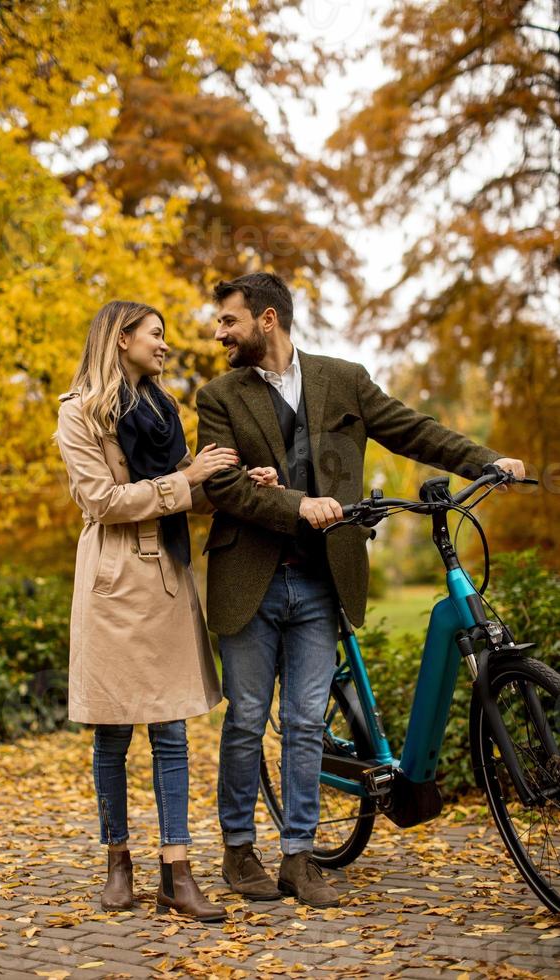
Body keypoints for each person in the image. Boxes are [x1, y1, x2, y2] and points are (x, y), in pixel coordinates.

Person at [195, 271, 526, 909]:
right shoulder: (219, 396)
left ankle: (297, 859)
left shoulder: (343, 378)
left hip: (324, 581)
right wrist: (298, 504)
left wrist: (485, 459)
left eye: (228, 321)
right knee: (243, 724)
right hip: (249, 582)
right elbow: (222, 488)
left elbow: (413, 429)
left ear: (267, 319)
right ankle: (239, 854)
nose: (219, 333)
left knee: (301, 724)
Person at [54, 299, 245, 922]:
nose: (164, 346)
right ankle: (118, 860)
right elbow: (103, 500)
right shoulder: (78, 414)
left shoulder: (164, 412)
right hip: (112, 582)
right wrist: (188, 478)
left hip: (164, 576)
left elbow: (176, 497)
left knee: (170, 728)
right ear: (121, 338)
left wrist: (230, 488)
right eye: (155, 335)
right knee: (112, 732)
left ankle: (177, 870)